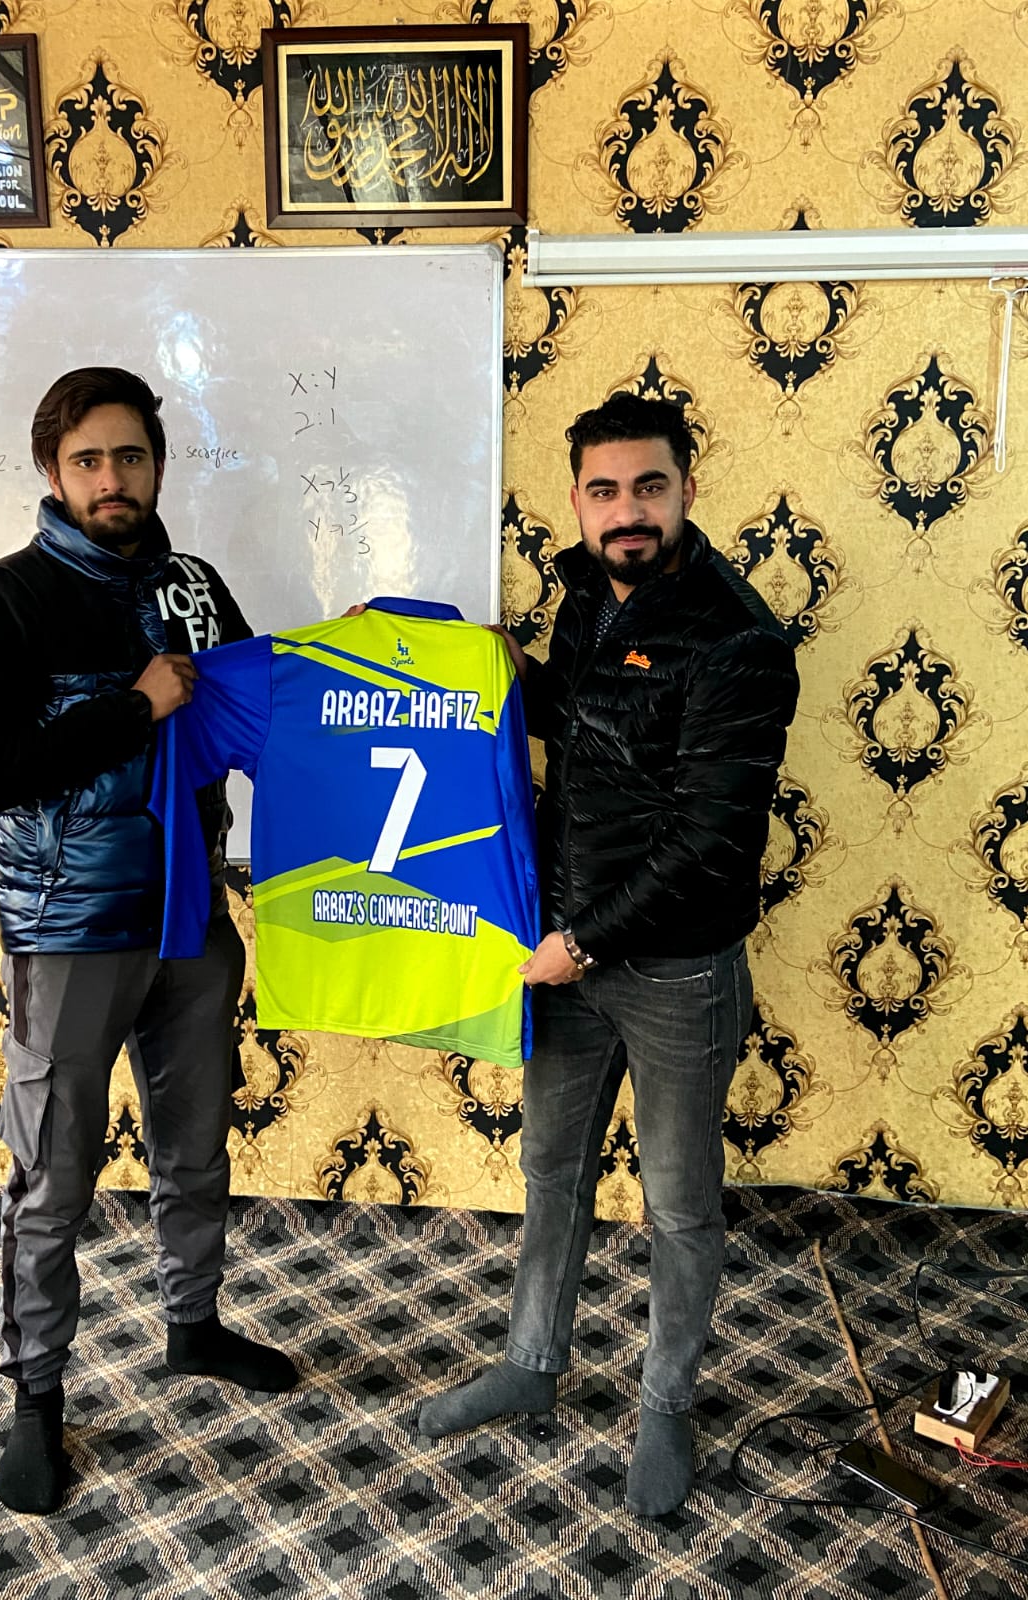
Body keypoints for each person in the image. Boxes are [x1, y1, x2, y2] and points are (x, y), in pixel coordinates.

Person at [417, 393, 799, 1517]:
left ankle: (666, 1403)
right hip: (569, 952)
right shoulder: (588, 592)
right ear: (577, 501)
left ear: (687, 489)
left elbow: (709, 837)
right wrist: (481, 665)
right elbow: (586, 720)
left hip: (672, 970)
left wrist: (580, 943)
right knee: (552, 1171)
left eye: (648, 487)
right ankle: (532, 1364)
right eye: (604, 490)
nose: (626, 511)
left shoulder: (739, 641)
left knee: (678, 1204)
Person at [0, 367, 297, 1517]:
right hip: (69, 935)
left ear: (157, 466)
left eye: (130, 457)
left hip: (191, 920)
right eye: (88, 459)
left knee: (196, 1143)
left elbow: (265, 708)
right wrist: (134, 705)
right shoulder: (5, 599)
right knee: (54, 1176)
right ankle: (35, 1397)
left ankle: (193, 1324)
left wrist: (400, 665)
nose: (112, 478)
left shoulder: (194, 588)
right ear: (53, 472)